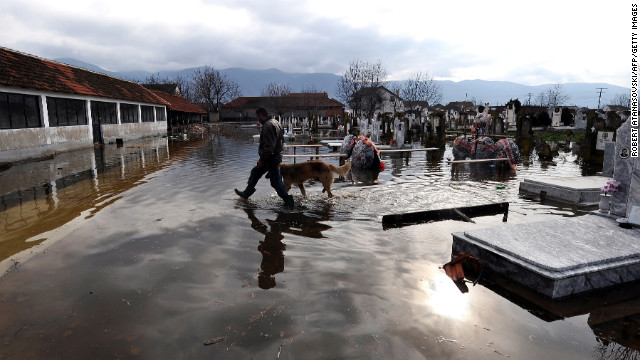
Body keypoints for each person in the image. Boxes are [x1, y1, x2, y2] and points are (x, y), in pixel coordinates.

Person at [234, 107, 294, 206]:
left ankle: (288, 201)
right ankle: (246, 193)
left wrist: (261, 159)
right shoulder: (276, 122)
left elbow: (269, 146)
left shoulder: (268, 125)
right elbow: (281, 140)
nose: (258, 119)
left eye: (258, 117)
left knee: (275, 182)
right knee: (258, 173)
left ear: (262, 115)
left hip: (270, 158)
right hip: (275, 156)